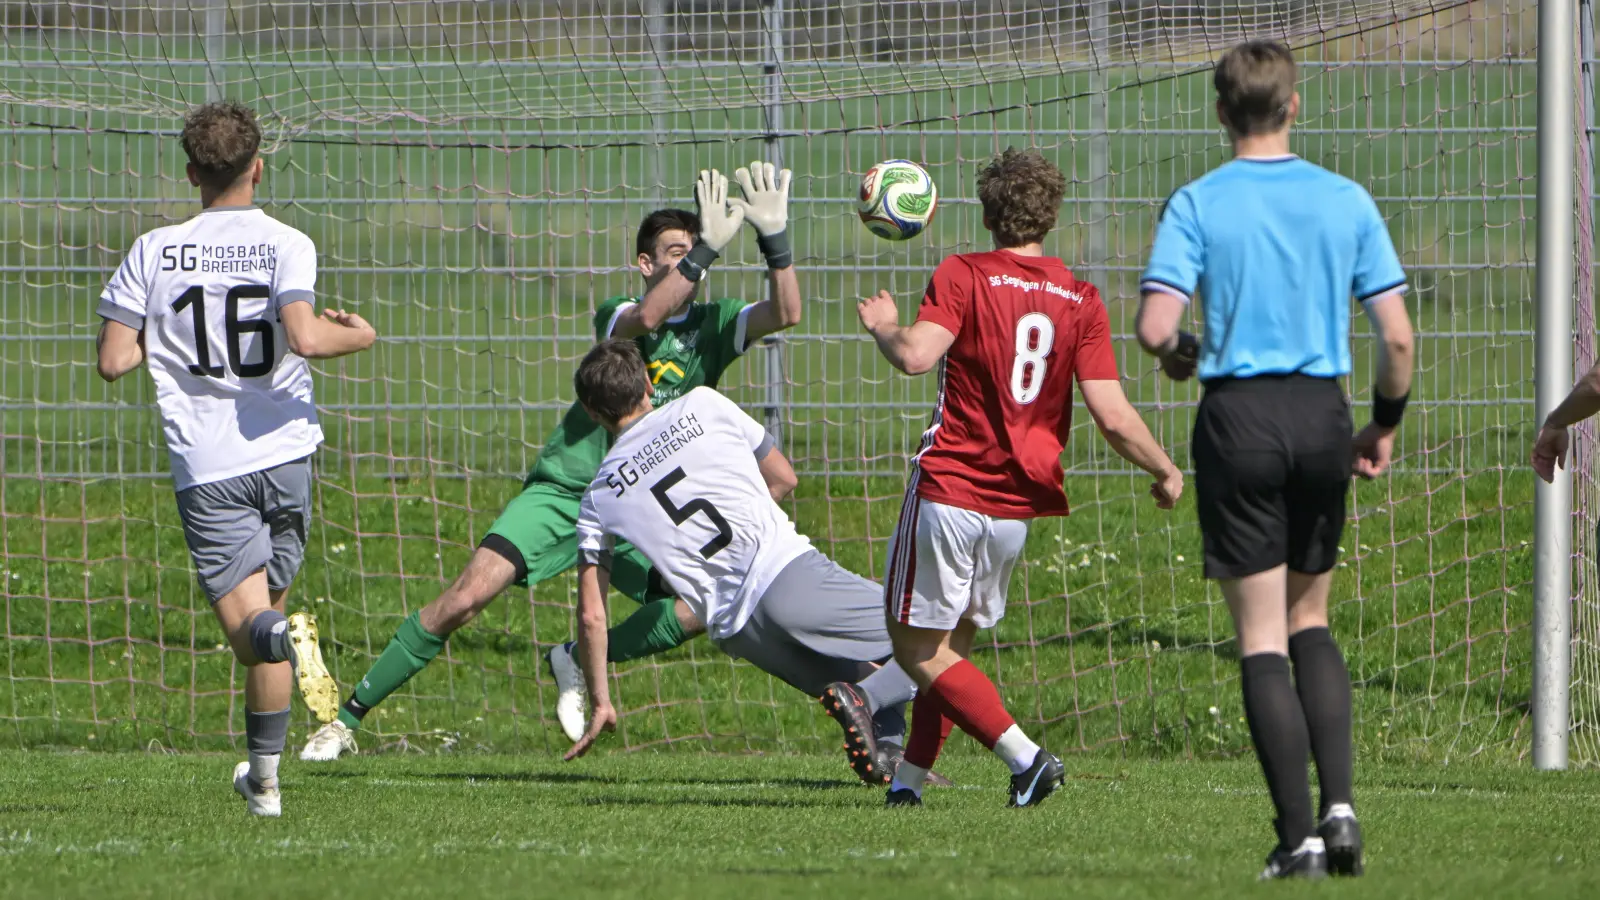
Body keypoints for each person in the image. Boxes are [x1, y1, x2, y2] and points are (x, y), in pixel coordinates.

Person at [300, 164, 804, 761]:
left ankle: (576, 657)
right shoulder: (619, 312)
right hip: (567, 491)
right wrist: (710, 253)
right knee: (464, 599)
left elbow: (787, 312)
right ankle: (345, 723)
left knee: (702, 605)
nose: (688, 259)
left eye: (695, 248)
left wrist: (775, 240)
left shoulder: (713, 326)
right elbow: (645, 320)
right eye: (675, 252)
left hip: (642, 503)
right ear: (646, 265)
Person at [1135, 40, 1415, 880]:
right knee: (1311, 621)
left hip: (1237, 418)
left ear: (1222, 114)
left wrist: (1182, 349)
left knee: (1260, 636)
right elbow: (1397, 335)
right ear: (1295, 108)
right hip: (1321, 414)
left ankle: (1296, 841)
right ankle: (1342, 809)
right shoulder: (1346, 199)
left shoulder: (1197, 200)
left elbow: (1153, 329)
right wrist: (1382, 424)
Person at [857, 148, 1183, 809]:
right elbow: (1114, 415)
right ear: (1052, 216)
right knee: (950, 658)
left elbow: (918, 357)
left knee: (917, 649)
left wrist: (887, 327)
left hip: (952, 487)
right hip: (1014, 508)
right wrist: (1166, 467)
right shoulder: (1080, 298)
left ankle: (1027, 758)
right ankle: (907, 785)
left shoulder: (963, 274)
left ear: (985, 213)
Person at [94, 101, 377, 816]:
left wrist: (163, 337)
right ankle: (265, 783)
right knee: (268, 614)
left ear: (192, 172)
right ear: (258, 167)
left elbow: (113, 361)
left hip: (211, 462)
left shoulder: (154, 249)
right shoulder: (288, 242)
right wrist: (364, 335)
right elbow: (308, 339)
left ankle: (288, 646)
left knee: (258, 637)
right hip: (286, 453)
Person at [561, 339, 927, 788]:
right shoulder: (702, 403)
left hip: (738, 630)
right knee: (937, 627)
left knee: (860, 677)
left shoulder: (598, 496)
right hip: (787, 575)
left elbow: (591, 615)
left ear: (592, 412)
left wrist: (600, 701)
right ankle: (875, 706)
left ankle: (897, 767)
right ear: (648, 386)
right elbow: (784, 477)